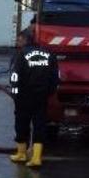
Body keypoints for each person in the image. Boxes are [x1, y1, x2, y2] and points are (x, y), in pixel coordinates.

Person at [9, 30, 59, 168]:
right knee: (39, 125)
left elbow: (14, 77)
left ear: (25, 40)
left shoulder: (20, 55)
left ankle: (21, 154)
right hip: (41, 96)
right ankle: (36, 157)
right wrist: (49, 92)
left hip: (24, 97)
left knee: (21, 124)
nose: (17, 43)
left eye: (19, 40)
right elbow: (55, 77)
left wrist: (15, 94)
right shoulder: (49, 54)